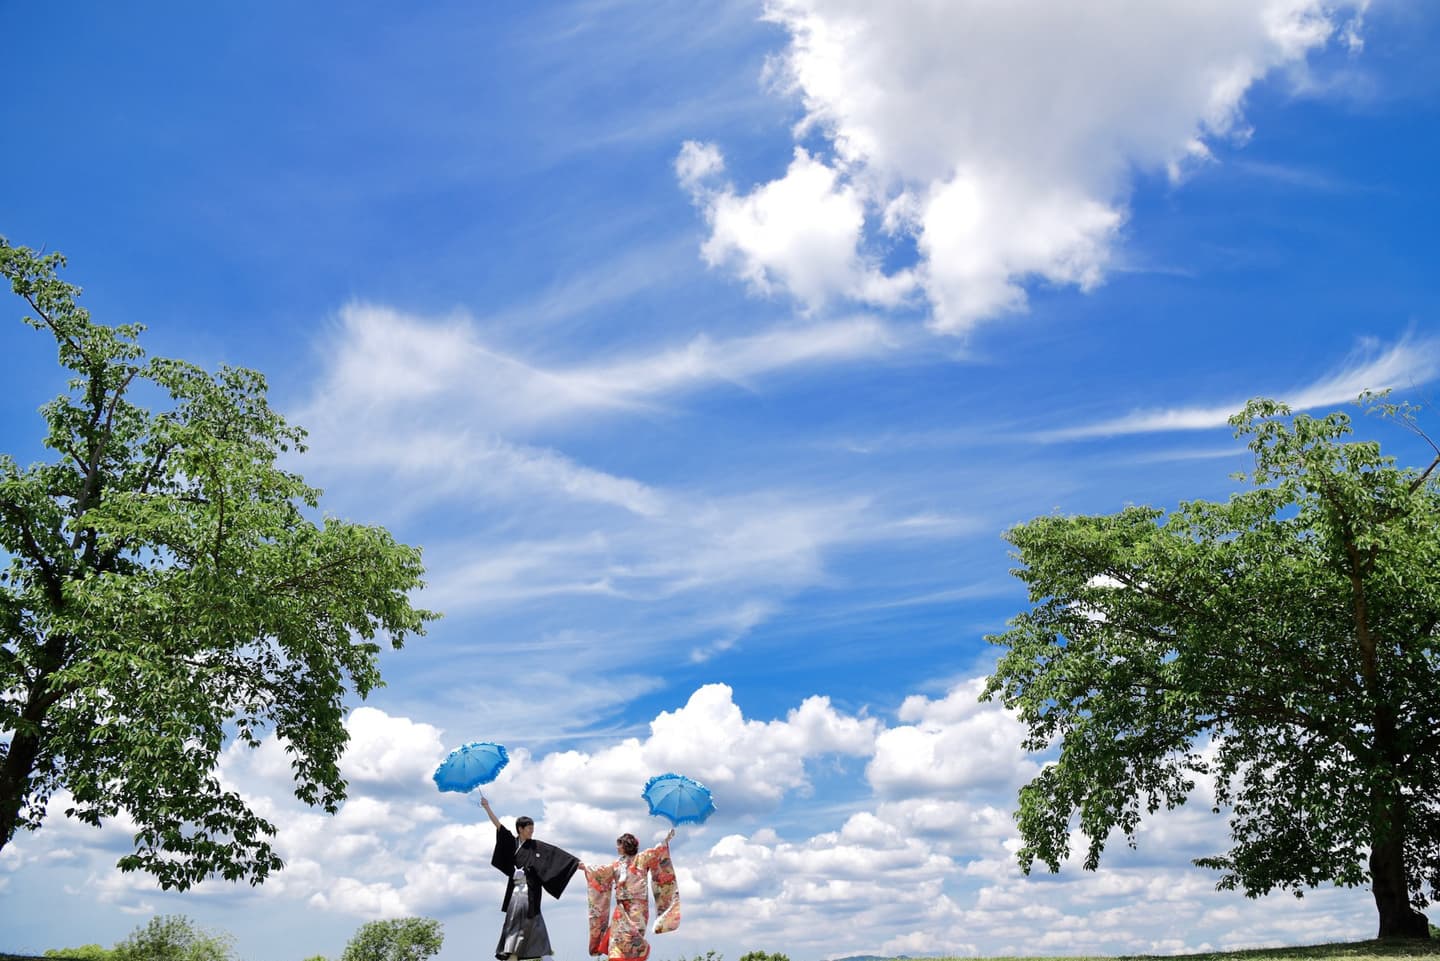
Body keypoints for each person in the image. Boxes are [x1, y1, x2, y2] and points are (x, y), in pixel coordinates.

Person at [479, 794, 580, 961]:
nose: (531, 832)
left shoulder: (536, 845)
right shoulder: (512, 843)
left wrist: (577, 864)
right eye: (529, 829)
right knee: (514, 922)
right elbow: (498, 826)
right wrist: (487, 807)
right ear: (520, 829)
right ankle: (513, 953)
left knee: (530, 922)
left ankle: (522, 955)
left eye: (532, 829)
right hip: (516, 892)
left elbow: (554, 854)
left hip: (530, 891)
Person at [579, 827, 680, 961]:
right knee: (616, 939)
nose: (616, 847)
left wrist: (666, 839)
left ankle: (641, 951)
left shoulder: (641, 859)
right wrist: (584, 866)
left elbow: (656, 852)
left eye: (619, 844)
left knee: (633, 937)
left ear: (625, 846)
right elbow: (601, 872)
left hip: (638, 908)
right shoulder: (617, 864)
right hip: (621, 908)